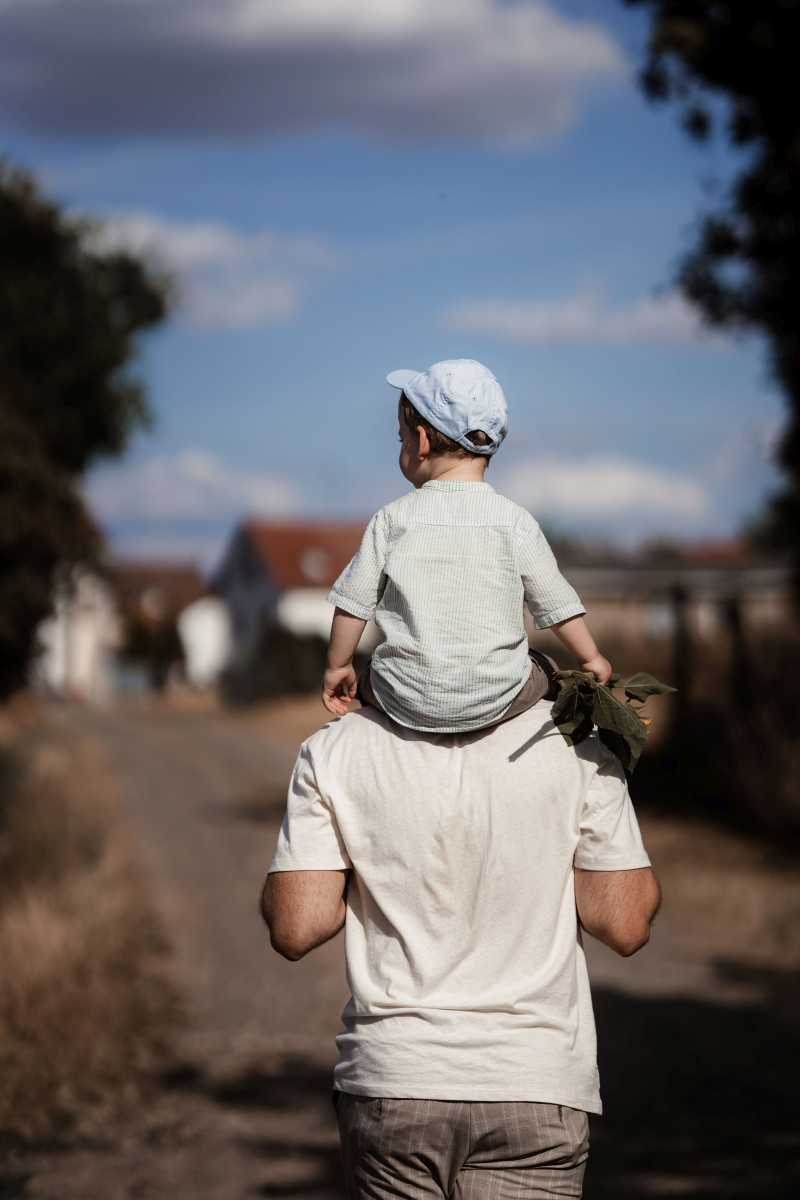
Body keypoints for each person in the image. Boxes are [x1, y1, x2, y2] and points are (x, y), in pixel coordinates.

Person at [261, 699, 661, 1198]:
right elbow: (625, 924)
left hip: (397, 1077)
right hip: (532, 1080)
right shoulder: (575, 741)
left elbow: (296, 927)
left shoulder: (336, 746)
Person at [322, 358, 612, 734]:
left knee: (371, 673)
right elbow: (556, 604)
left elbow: (353, 604)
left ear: (422, 441)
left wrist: (337, 667)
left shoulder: (391, 520)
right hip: (496, 699)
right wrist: (590, 657)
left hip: (407, 697)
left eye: (401, 438)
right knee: (546, 668)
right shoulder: (515, 521)